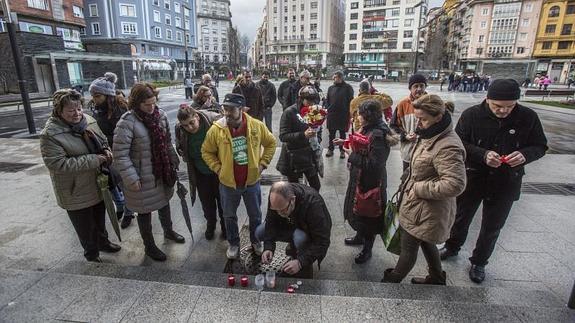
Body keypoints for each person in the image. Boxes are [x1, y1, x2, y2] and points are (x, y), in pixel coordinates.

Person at [440, 79, 548, 283]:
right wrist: (482, 154)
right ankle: (452, 246)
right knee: (461, 217)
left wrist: (525, 155)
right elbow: (459, 142)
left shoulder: (528, 117)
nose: (503, 111)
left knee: (493, 225)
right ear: (487, 99)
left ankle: (479, 262)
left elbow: (540, 146)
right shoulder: (472, 115)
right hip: (474, 176)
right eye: (497, 106)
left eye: (509, 106)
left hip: (506, 181)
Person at [382, 94, 466, 285]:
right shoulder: (430, 133)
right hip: (419, 206)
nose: (418, 123)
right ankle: (436, 277)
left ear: (437, 117)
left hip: (427, 209)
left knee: (408, 249)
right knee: (427, 241)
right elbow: (419, 165)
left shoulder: (447, 145)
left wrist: (418, 188)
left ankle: (391, 281)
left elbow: (455, 184)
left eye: (422, 119)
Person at [40, 89, 121, 263]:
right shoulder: (50, 134)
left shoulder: (89, 121)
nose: (77, 114)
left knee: (100, 217)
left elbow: (103, 140)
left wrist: (106, 150)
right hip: (74, 188)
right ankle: (91, 253)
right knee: (84, 225)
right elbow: (57, 164)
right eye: (71, 111)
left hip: (97, 182)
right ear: (59, 111)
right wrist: (95, 159)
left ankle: (103, 242)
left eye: (78, 109)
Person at [113, 83, 185, 262]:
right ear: (136, 103)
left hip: (161, 170)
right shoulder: (127, 122)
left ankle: (168, 231)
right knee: (144, 211)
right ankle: (149, 246)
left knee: (164, 202)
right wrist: (131, 177)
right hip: (141, 176)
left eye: (153, 102)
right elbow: (120, 155)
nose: (152, 108)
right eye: (147, 104)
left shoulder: (160, 115)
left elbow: (168, 141)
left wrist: (173, 159)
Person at [201, 93, 277, 259]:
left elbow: (271, 143)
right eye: (225, 109)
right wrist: (218, 168)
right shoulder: (217, 129)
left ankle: (256, 242)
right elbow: (206, 151)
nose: (227, 113)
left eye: (231, 109)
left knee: (255, 215)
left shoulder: (256, 126)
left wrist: (263, 163)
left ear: (242, 109)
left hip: (252, 182)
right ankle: (234, 244)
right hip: (228, 184)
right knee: (229, 216)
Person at [337, 99, 397, 263]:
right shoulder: (369, 129)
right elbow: (363, 147)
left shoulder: (377, 134)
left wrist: (352, 155)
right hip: (360, 178)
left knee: (369, 215)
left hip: (371, 183)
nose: (358, 117)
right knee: (359, 211)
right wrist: (346, 143)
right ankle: (359, 236)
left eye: (360, 114)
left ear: (368, 116)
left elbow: (374, 164)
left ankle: (367, 249)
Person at [88, 72, 136, 229]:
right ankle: (121, 206)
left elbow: (123, 135)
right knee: (110, 183)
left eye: (97, 96)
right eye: (93, 95)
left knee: (123, 183)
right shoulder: (98, 108)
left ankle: (129, 212)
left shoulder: (119, 110)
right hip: (103, 152)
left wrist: (103, 139)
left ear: (107, 95)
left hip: (119, 154)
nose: (94, 99)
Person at [258, 182, 332, 276]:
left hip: (309, 232)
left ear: (292, 200)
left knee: (299, 238)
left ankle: (304, 264)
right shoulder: (276, 196)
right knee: (260, 232)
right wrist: (268, 247)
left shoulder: (314, 205)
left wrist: (300, 262)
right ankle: (293, 247)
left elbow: (322, 241)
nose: (279, 213)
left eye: (282, 210)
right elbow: (270, 222)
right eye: (275, 210)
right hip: (291, 224)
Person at [175, 105, 226, 240]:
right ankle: (211, 224)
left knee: (223, 200)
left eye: (192, 123)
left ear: (196, 116)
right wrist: (181, 151)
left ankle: (225, 226)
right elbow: (179, 145)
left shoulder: (214, 121)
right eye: (185, 125)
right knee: (206, 201)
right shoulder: (179, 129)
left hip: (219, 170)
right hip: (199, 172)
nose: (190, 128)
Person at [276, 86, 322, 191]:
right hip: (292, 156)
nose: (311, 103)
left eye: (313, 100)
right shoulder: (289, 112)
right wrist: (303, 135)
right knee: (295, 189)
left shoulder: (314, 111)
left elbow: (319, 130)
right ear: (301, 99)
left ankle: (311, 204)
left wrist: (316, 140)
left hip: (308, 155)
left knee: (316, 186)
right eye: (309, 100)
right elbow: (283, 136)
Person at [390, 74, 428, 170]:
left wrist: (420, 135)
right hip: (408, 153)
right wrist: (405, 136)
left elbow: (438, 127)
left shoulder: (432, 103)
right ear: (410, 88)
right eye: (416, 86)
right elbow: (393, 126)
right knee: (406, 180)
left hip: (427, 154)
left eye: (421, 85)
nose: (419, 89)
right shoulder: (402, 105)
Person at [325, 71, 354, 158]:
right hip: (332, 114)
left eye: (336, 77)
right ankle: (331, 149)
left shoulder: (348, 88)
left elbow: (351, 101)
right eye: (334, 77)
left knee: (342, 134)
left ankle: (342, 150)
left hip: (343, 115)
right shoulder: (331, 88)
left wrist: (350, 113)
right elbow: (327, 100)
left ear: (341, 78)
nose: (334, 79)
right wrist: (327, 109)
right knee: (331, 134)